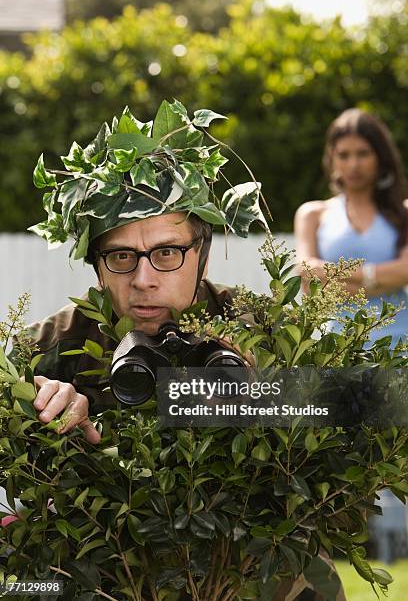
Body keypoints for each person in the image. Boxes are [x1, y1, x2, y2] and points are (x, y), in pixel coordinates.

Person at [21, 101, 345, 600]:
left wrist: (267, 399)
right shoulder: (48, 348)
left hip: (239, 574)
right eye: (122, 256)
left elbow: (352, 482)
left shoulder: (264, 332)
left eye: (167, 253)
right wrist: (39, 409)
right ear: (96, 266)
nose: (144, 280)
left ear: (203, 252)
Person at [295, 108, 408, 346]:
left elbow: (406, 270)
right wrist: (379, 279)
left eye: (363, 153)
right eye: (344, 155)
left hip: (399, 346)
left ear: (380, 156)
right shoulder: (312, 214)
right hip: (337, 350)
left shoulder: (404, 212)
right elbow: (307, 282)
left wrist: (332, 274)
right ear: (332, 158)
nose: (353, 164)